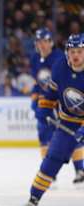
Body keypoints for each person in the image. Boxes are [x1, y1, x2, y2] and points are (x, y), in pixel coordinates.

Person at [20, 34, 84, 206]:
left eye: (80, 52)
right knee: (51, 161)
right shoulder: (59, 68)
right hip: (67, 122)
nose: (76, 56)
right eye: (72, 52)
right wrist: (44, 108)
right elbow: (51, 94)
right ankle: (33, 199)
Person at [30, 28, 84, 185]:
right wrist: (36, 100)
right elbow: (37, 82)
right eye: (39, 42)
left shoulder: (60, 58)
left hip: (62, 100)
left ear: (50, 43)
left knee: (71, 134)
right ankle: (49, 173)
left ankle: (80, 169)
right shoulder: (34, 58)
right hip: (45, 100)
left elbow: (65, 84)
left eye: (45, 41)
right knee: (43, 133)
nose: (42, 45)